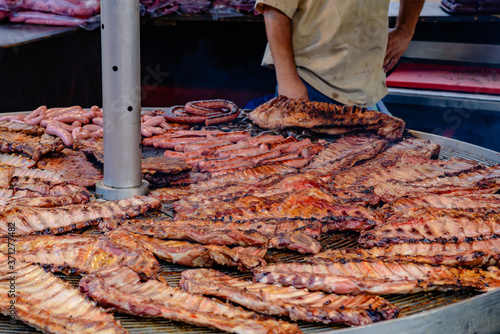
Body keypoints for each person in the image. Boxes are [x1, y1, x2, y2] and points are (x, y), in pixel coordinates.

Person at [254, 0, 425, 109]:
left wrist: (405, 29)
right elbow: (275, 9)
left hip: (367, 88)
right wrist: (287, 79)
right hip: (308, 85)